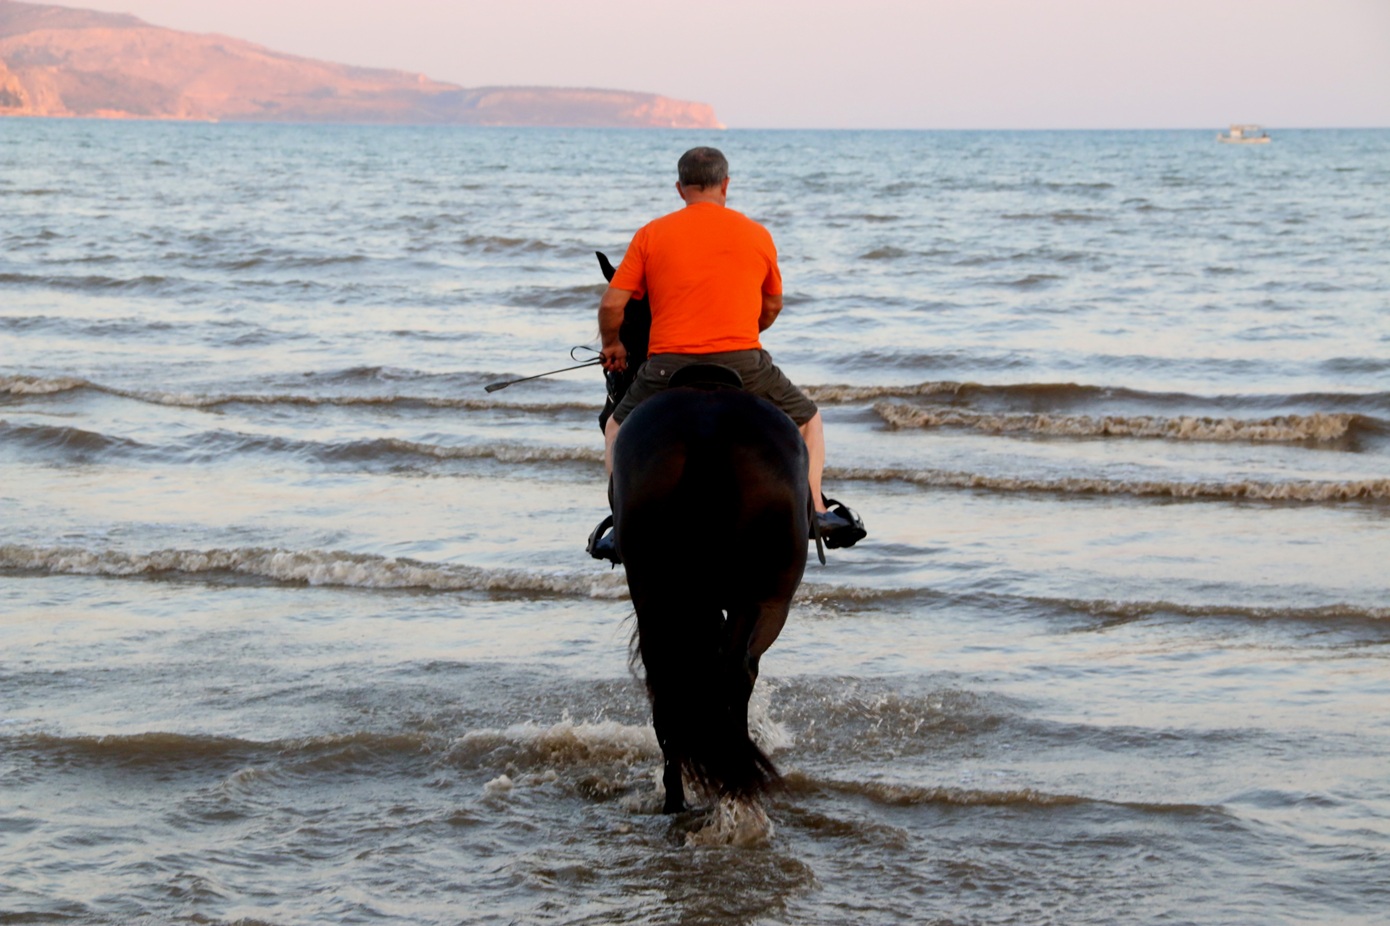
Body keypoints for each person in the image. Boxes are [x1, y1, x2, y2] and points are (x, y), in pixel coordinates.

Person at [587, 146, 865, 563]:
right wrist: (742, 335)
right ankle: (817, 513)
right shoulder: (756, 234)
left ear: (680, 188)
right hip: (743, 361)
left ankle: (620, 525)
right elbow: (771, 306)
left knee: (615, 426)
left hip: (666, 365)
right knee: (809, 420)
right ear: (726, 185)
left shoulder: (652, 233)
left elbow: (612, 305)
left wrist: (613, 345)